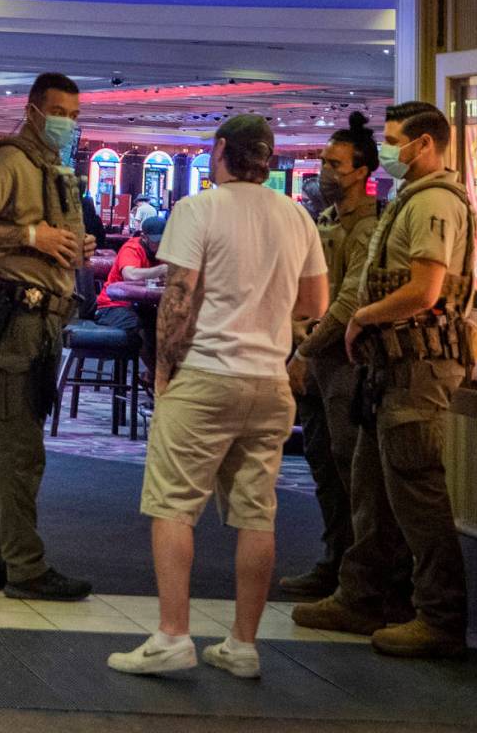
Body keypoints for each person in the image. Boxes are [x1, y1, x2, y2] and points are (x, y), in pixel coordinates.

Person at [107, 115, 328, 679]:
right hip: (270, 381)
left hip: (207, 374)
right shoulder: (297, 216)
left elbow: (177, 297)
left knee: (173, 505)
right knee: (257, 514)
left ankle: (172, 635)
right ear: (270, 158)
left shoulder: (197, 209)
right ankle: (242, 644)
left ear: (222, 149)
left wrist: (164, 372)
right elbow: (315, 305)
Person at [292, 101, 477, 658]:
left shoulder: (435, 202)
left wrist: (361, 318)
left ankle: (440, 618)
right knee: (370, 485)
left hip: (417, 366)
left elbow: (425, 289)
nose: (390, 149)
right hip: (389, 367)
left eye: (396, 140)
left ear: (425, 144)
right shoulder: (410, 199)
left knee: (417, 493)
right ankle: (363, 597)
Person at [0, 72, 96, 602]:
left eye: (74, 116)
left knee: (12, 440)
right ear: (33, 111)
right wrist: (31, 236)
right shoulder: (9, 161)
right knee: (23, 450)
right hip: (15, 316)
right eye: (58, 113)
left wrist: (71, 246)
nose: (67, 123)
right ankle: (25, 567)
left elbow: (53, 237)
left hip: (45, 318)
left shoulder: (54, 167)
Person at [281, 113, 382, 598]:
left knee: (351, 469)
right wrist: (295, 329)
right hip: (316, 361)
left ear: (361, 172)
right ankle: (334, 559)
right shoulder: (324, 221)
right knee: (321, 464)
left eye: (334, 164)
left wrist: (303, 349)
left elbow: (348, 303)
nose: (325, 171)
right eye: (323, 161)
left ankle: (364, 578)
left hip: (347, 363)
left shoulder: (372, 228)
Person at [94, 216, 167, 377]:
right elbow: (130, 275)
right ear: (144, 237)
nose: (160, 245)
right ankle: (157, 378)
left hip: (140, 306)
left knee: (169, 325)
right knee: (142, 328)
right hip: (111, 306)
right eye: (156, 241)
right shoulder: (132, 248)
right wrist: (161, 270)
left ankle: (162, 377)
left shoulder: (164, 251)